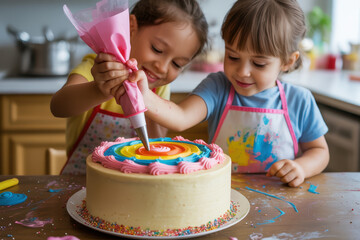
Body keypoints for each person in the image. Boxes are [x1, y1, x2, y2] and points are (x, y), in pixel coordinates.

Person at [125, 0, 329, 187]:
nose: (242, 72)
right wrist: (144, 94)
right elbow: (181, 117)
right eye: (232, 57)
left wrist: (301, 167)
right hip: (222, 195)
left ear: (288, 61)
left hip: (280, 200)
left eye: (259, 63)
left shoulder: (300, 100)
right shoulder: (218, 87)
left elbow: (319, 151)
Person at [50, 0, 208, 175]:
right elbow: (58, 106)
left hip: (134, 185)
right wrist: (98, 89)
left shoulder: (157, 87)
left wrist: (145, 100)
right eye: (157, 49)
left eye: (177, 64)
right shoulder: (97, 69)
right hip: (82, 180)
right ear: (131, 26)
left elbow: (157, 140)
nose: (162, 68)